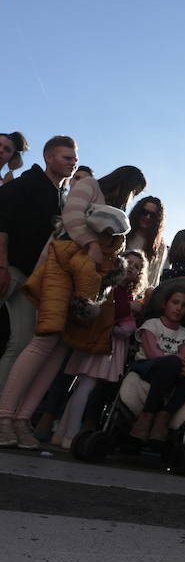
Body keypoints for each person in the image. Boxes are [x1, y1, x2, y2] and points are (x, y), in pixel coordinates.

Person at [0, 165, 146, 449]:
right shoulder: (90, 186)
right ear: (126, 184)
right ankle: (4, 416)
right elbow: (71, 217)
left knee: (60, 350)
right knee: (43, 342)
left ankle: (22, 418)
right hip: (59, 273)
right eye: (134, 191)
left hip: (86, 286)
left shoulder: (115, 210)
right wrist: (91, 243)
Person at [0, 135, 78, 394]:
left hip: (30, 280)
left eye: (75, 158)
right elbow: (2, 224)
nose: (73, 162)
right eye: (67, 157)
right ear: (49, 157)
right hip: (8, 267)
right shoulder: (26, 184)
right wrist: (2, 265)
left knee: (22, 343)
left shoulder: (63, 198)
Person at [51, 249, 148, 449]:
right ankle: (71, 435)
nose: (132, 267)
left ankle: (62, 433)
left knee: (82, 386)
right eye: (129, 262)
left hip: (103, 342)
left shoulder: (123, 291)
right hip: (103, 343)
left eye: (137, 266)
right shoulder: (115, 289)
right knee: (86, 386)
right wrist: (131, 309)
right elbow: (115, 312)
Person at [129, 287, 185, 442]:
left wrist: (177, 362)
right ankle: (147, 415)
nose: (179, 308)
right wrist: (174, 360)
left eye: (184, 306)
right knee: (172, 361)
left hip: (175, 371)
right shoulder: (152, 325)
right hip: (149, 367)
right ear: (165, 304)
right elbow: (152, 353)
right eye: (175, 303)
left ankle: (164, 417)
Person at [126, 196, 167, 288]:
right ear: (137, 212)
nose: (147, 217)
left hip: (134, 293)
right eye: (144, 212)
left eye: (153, 215)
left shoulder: (159, 246)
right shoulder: (124, 233)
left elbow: (152, 279)